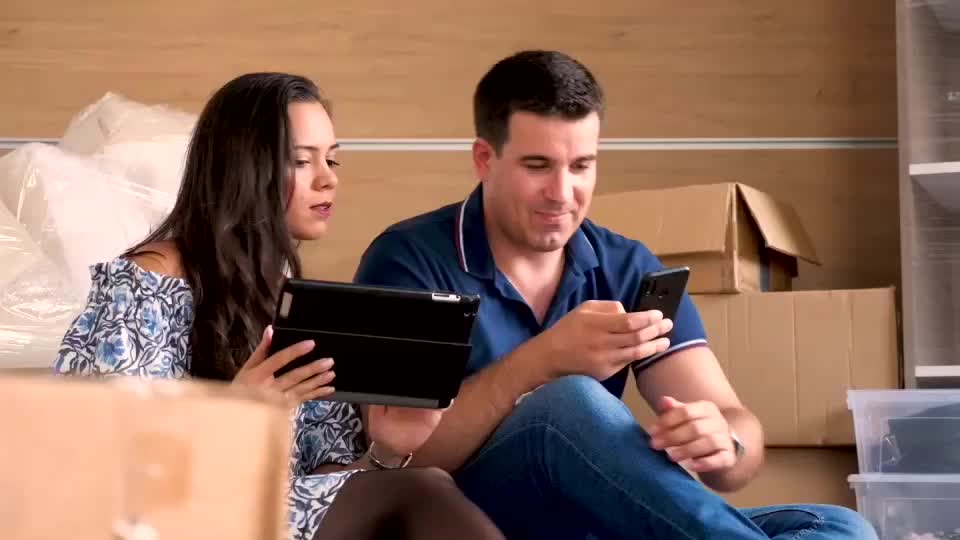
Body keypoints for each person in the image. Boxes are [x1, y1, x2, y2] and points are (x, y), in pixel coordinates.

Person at [352, 50, 878, 540]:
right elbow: (401, 459)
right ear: (485, 159)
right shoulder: (407, 260)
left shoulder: (628, 266)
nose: (562, 194)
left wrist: (724, 440)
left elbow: (739, 446)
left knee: (838, 525)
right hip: (468, 521)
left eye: (581, 166)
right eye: (537, 166)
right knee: (569, 401)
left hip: (596, 520)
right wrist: (541, 362)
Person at [52, 72, 505, 540]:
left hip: (269, 518)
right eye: (302, 161)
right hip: (179, 523)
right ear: (244, 167)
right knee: (423, 490)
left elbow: (321, 483)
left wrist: (386, 452)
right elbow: (111, 466)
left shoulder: (290, 303)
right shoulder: (146, 283)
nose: (328, 179)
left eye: (331, 159)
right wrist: (234, 415)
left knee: (421, 486)